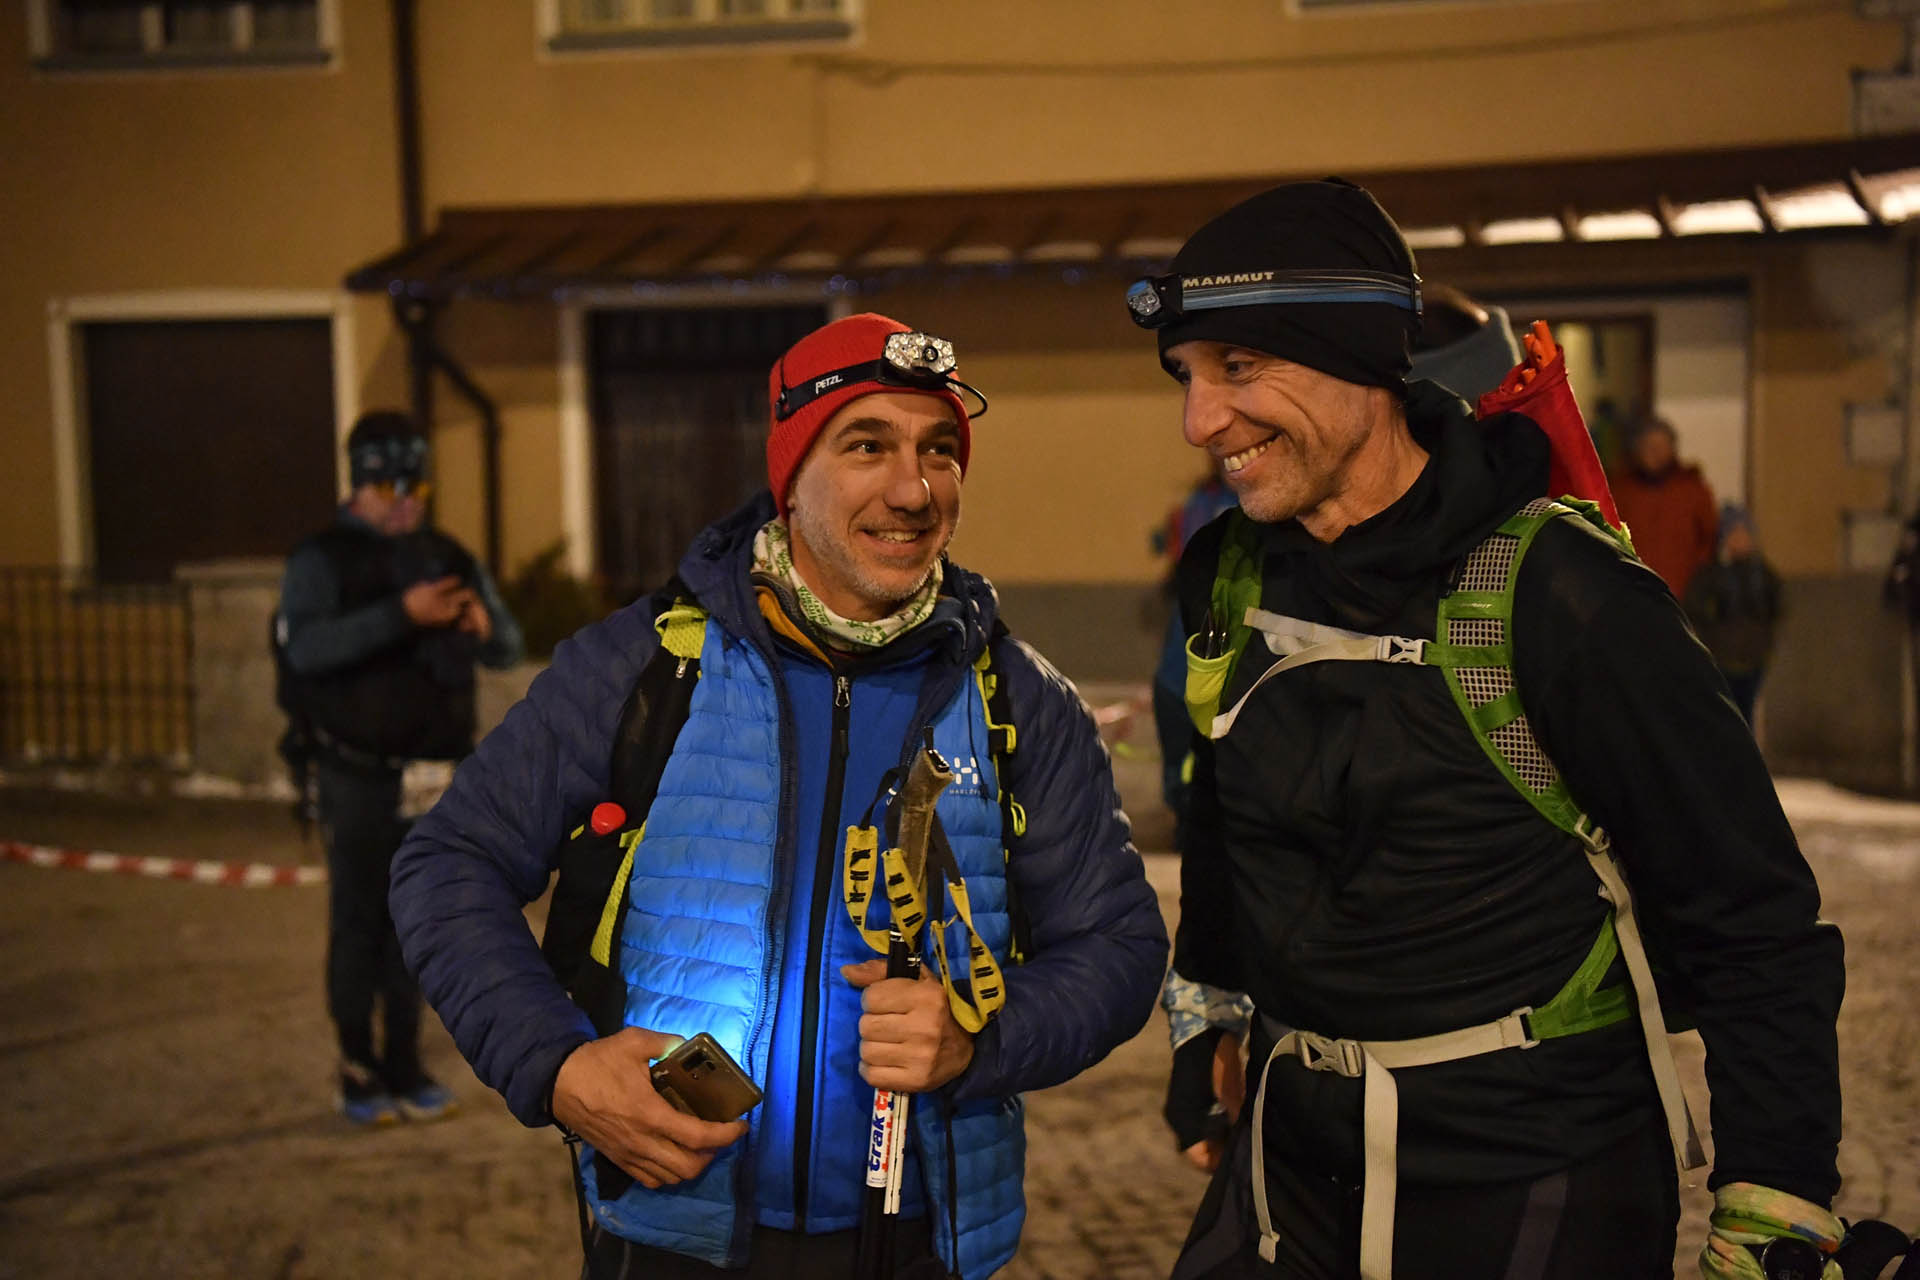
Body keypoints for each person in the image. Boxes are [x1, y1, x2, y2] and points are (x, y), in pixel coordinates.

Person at [1127, 180, 1844, 1280]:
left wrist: (1774, 1207)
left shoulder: (1562, 592)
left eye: (1240, 366)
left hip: (1535, 1166)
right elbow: (1227, 828)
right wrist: (1209, 1015)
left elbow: (1751, 916)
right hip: (1289, 1160)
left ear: (1362, 358)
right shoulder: (1228, 574)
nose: (1199, 421)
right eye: (1187, 374)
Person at [387, 313, 1168, 1279]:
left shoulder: (1018, 699)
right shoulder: (646, 665)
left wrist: (984, 1037)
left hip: (917, 1244)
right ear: (791, 476)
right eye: (867, 446)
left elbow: (1119, 945)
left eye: (939, 450)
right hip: (672, 1235)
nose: (913, 490)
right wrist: (556, 1066)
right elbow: (447, 863)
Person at [276, 409, 524, 1126]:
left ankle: (407, 1063)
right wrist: (402, 615)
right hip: (357, 775)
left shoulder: (445, 553)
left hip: (435, 778)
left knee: (417, 923)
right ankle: (359, 1068)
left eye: (416, 487)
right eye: (389, 488)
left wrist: (485, 627)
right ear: (359, 485)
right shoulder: (321, 560)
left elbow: (508, 646)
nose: (406, 502)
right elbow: (306, 650)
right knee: (358, 921)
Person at [1682, 504, 1784, 725]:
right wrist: (1712, 614)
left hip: (1753, 657)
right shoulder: (1712, 574)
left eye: (1744, 533)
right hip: (1722, 658)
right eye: (1734, 534)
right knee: (1728, 716)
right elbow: (1694, 607)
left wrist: (1765, 634)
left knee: (1746, 713)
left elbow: (1778, 605)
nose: (1741, 539)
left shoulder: (1761, 574)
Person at [1609, 414, 1720, 599]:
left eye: (1661, 446)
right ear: (1638, 450)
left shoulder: (1693, 489)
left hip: (1682, 596)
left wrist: (1697, 584)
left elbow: (1709, 539)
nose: (1655, 452)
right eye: (1649, 446)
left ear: (1672, 449)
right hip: (1631, 594)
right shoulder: (1620, 491)